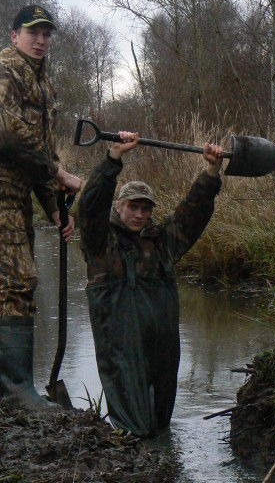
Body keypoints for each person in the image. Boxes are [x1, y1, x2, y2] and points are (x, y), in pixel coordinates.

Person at [0, 4, 81, 410]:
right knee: (17, 281)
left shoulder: (43, 84)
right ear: (15, 36)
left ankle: (8, 390)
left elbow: (38, 152)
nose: (41, 40)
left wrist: (53, 207)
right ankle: (18, 392)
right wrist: (59, 173)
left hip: (17, 193)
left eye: (47, 34)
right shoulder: (0, 72)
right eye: (33, 33)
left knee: (9, 285)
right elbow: (9, 137)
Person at [77, 131, 225, 437]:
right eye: (133, 207)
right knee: (136, 429)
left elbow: (192, 213)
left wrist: (211, 171)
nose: (139, 214)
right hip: (121, 346)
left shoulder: (161, 241)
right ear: (119, 206)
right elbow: (90, 206)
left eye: (146, 209)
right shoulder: (100, 241)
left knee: (160, 428)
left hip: (163, 346)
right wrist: (113, 158)